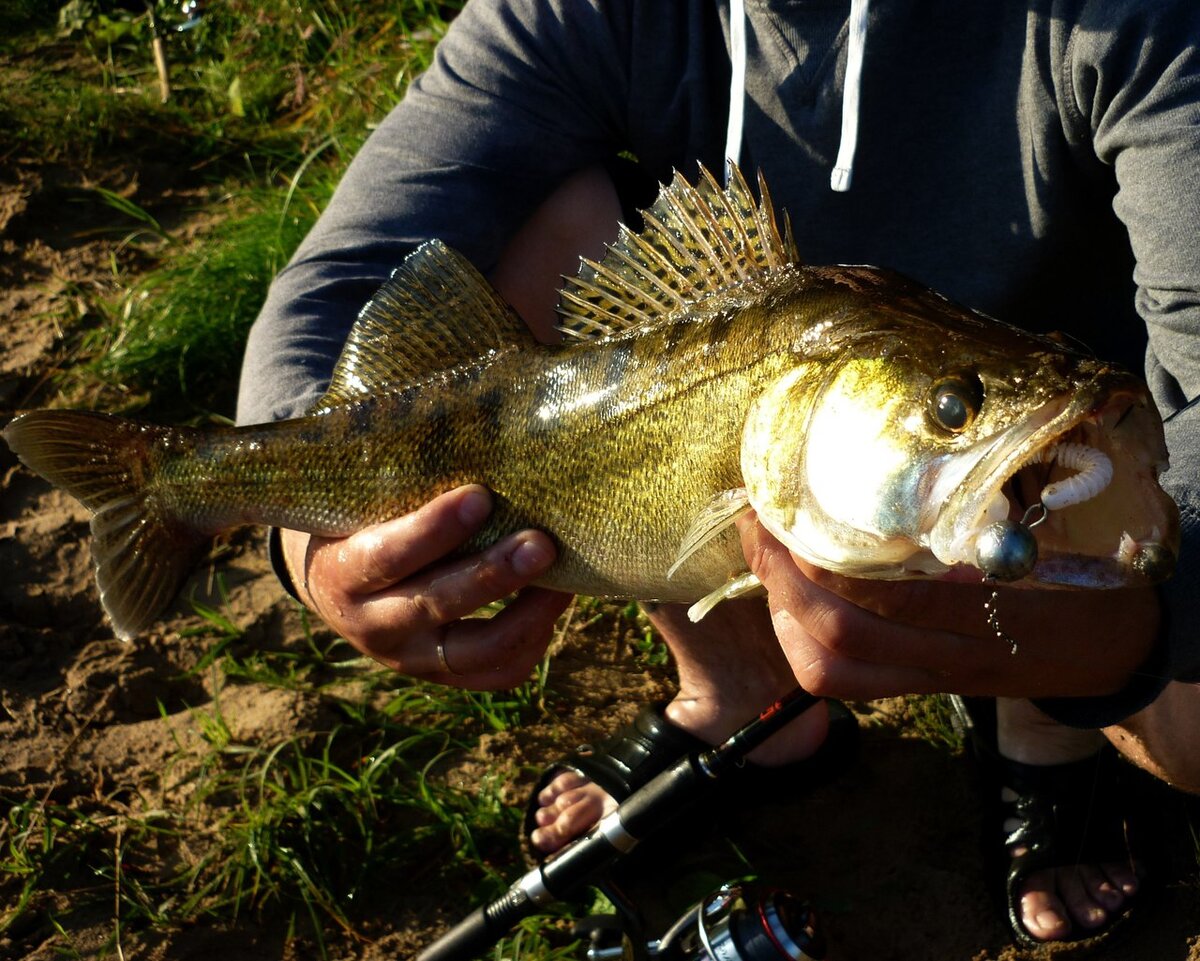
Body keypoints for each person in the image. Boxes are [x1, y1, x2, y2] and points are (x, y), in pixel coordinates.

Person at [236, 0, 1200, 948]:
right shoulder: (585, 14)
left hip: (1079, 477)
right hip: (823, 429)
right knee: (541, 207)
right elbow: (340, 283)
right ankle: (741, 685)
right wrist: (306, 538)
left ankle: (1047, 725)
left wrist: (1142, 632)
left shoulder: (1136, 20)